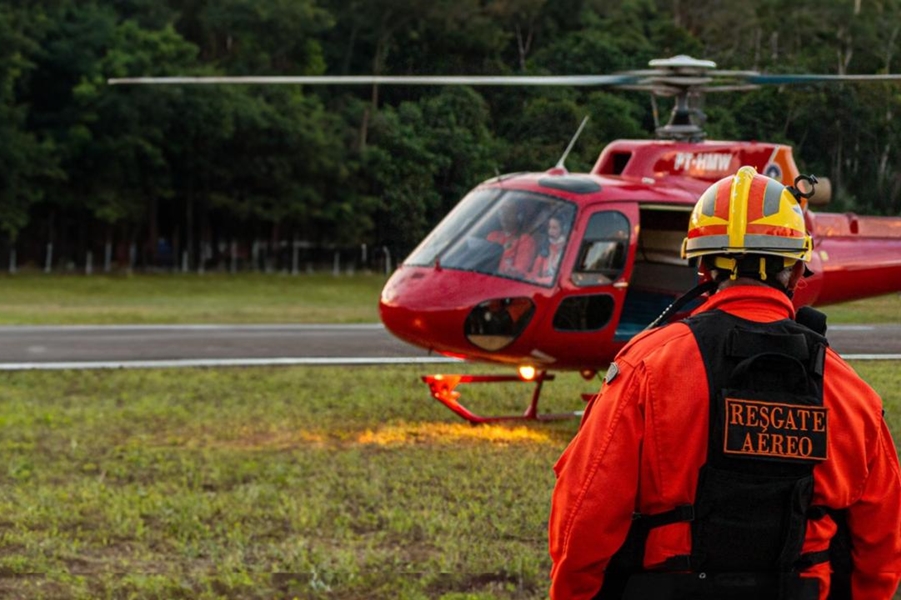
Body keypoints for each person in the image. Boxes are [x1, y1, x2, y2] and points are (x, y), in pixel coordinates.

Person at [548, 166, 901, 600]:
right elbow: (882, 543)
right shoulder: (850, 393)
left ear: (702, 268)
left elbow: (584, 514)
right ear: (794, 271)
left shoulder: (647, 368)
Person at [487, 199, 537, 278]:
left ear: (519, 217)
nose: (504, 216)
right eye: (501, 212)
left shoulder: (525, 241)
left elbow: (519, 272)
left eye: (509, 213)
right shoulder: (492, 236)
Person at [529, 215, 566, 284]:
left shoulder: (566, 249)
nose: (550, 231)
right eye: (549, 227)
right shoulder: (545, 247)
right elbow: (534, 273)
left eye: (554, 228)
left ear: (562, 229)